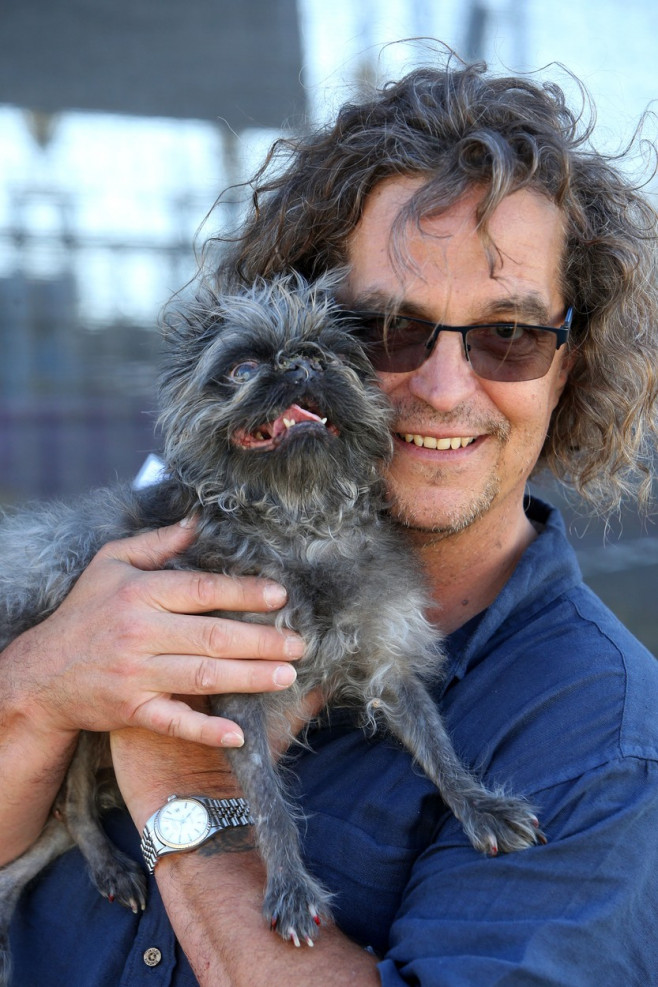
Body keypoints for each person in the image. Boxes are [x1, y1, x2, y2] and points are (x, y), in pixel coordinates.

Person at [2, 52, 658, 986]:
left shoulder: (603, 745)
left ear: (570, 366)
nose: (440, 390)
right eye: (389, 330)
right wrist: (35, 687)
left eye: (508, 336)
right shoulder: (131, 564)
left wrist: (182, 794)